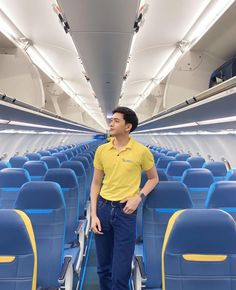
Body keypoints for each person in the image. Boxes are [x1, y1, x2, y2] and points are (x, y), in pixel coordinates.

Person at [90, 106, 159, 290]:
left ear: (128, 127)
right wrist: (93, 215)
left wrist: (139, 197)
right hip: (103, 209)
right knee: (103, 269)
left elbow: (154, 178)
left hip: (125, 213)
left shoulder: (141, 151)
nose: (111, 124)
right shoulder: (102, 150)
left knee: (120, 272)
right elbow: (96, 183)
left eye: (116, 121)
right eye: (111, 120)